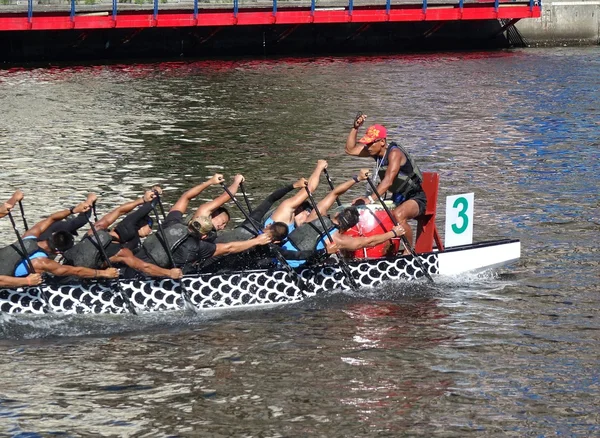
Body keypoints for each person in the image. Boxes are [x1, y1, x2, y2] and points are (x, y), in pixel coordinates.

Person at [135, 174, 273, 272]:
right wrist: (236, 182)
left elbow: (186, 196)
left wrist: (209, 182)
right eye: (223, 222)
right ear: (204, 236)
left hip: (141, 260)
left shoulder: (172, 223)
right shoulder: (198, 243)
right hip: (166, 270)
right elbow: (229, 247)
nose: (222, 227)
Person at [283, 169, 405, 266]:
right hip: (296, 268)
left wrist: (357, 178)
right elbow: (369, 242)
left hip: (281, 254)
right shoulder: (339, 240)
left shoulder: (316, 215)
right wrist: (393, 233)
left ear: (337, 214)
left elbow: (334, 193)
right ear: (349, 228)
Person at [345, 113, 427, 253]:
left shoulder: (394, 153)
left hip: (416, 198)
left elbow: (388, 181)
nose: (368, 146)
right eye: (366, 143)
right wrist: (355, 128)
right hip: (397, 197)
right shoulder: (375, 152)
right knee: (365, 210)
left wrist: (369, 199)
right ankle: (379, 251)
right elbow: (350, 149)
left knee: (398, 215)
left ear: (382, 142)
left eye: (371, 143)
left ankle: (408, 252)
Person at [62, 188, 183, 280]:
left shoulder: (96, 229)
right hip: (78, 280)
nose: (150, 230)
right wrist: (169, 273)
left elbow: (120, 211)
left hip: (64, 268)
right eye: (149, 226)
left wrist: (142, 200)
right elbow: (144, 267)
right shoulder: (122, 253)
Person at [0, 197, 118, 280]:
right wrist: (104, 273)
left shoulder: (29, 236)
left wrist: (73, 210)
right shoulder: (43, 262)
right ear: (58, 252)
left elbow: (51, 218)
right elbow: (76, 271)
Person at [214, 177, 307, 244]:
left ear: (269, 224)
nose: (222, 227)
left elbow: (271, 199)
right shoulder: (253, 223)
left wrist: (294, 185)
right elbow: (271, 199)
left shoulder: (252, 221)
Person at [263, 160, 328, 234]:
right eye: (307, 214)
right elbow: (310, 188)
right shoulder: (284, 212)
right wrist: (319, 167)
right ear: (299, 209)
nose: (307, 218)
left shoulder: (299, 231)